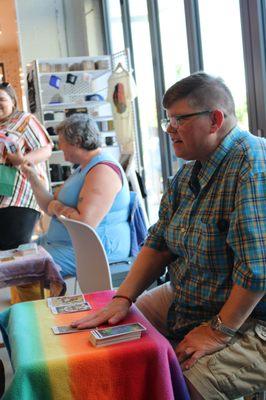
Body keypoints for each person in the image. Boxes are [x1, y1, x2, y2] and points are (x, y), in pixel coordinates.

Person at [72, 73, 266, 400]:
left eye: (179, 120)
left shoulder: (253, 165)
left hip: (253, 315)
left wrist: (218, 331)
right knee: (114, 333)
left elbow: (258, 271)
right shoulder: (189, 172)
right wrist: (123, 298)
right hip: (193, 296)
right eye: (167, 120)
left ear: (215, 119)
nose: (169, 130)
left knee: (181, 383)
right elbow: (158, 243)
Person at [22, 113, 131, 278]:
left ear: (77, 141)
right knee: (16, 256)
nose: (60, 147)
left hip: (93, 250)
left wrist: (57, 207)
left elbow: (85, 224)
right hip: (61, 244)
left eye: (62, 142)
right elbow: (48, 205)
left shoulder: (102, 170)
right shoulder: (82, 168)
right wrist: (32, 176)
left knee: (21, 268)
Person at [0, 82, 52, 250]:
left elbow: (46, 149)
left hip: (22, 196)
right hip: (2, 195)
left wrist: (22, 160)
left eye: (1, 99)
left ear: (13, 101)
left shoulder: (24, 119)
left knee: (14, 250)